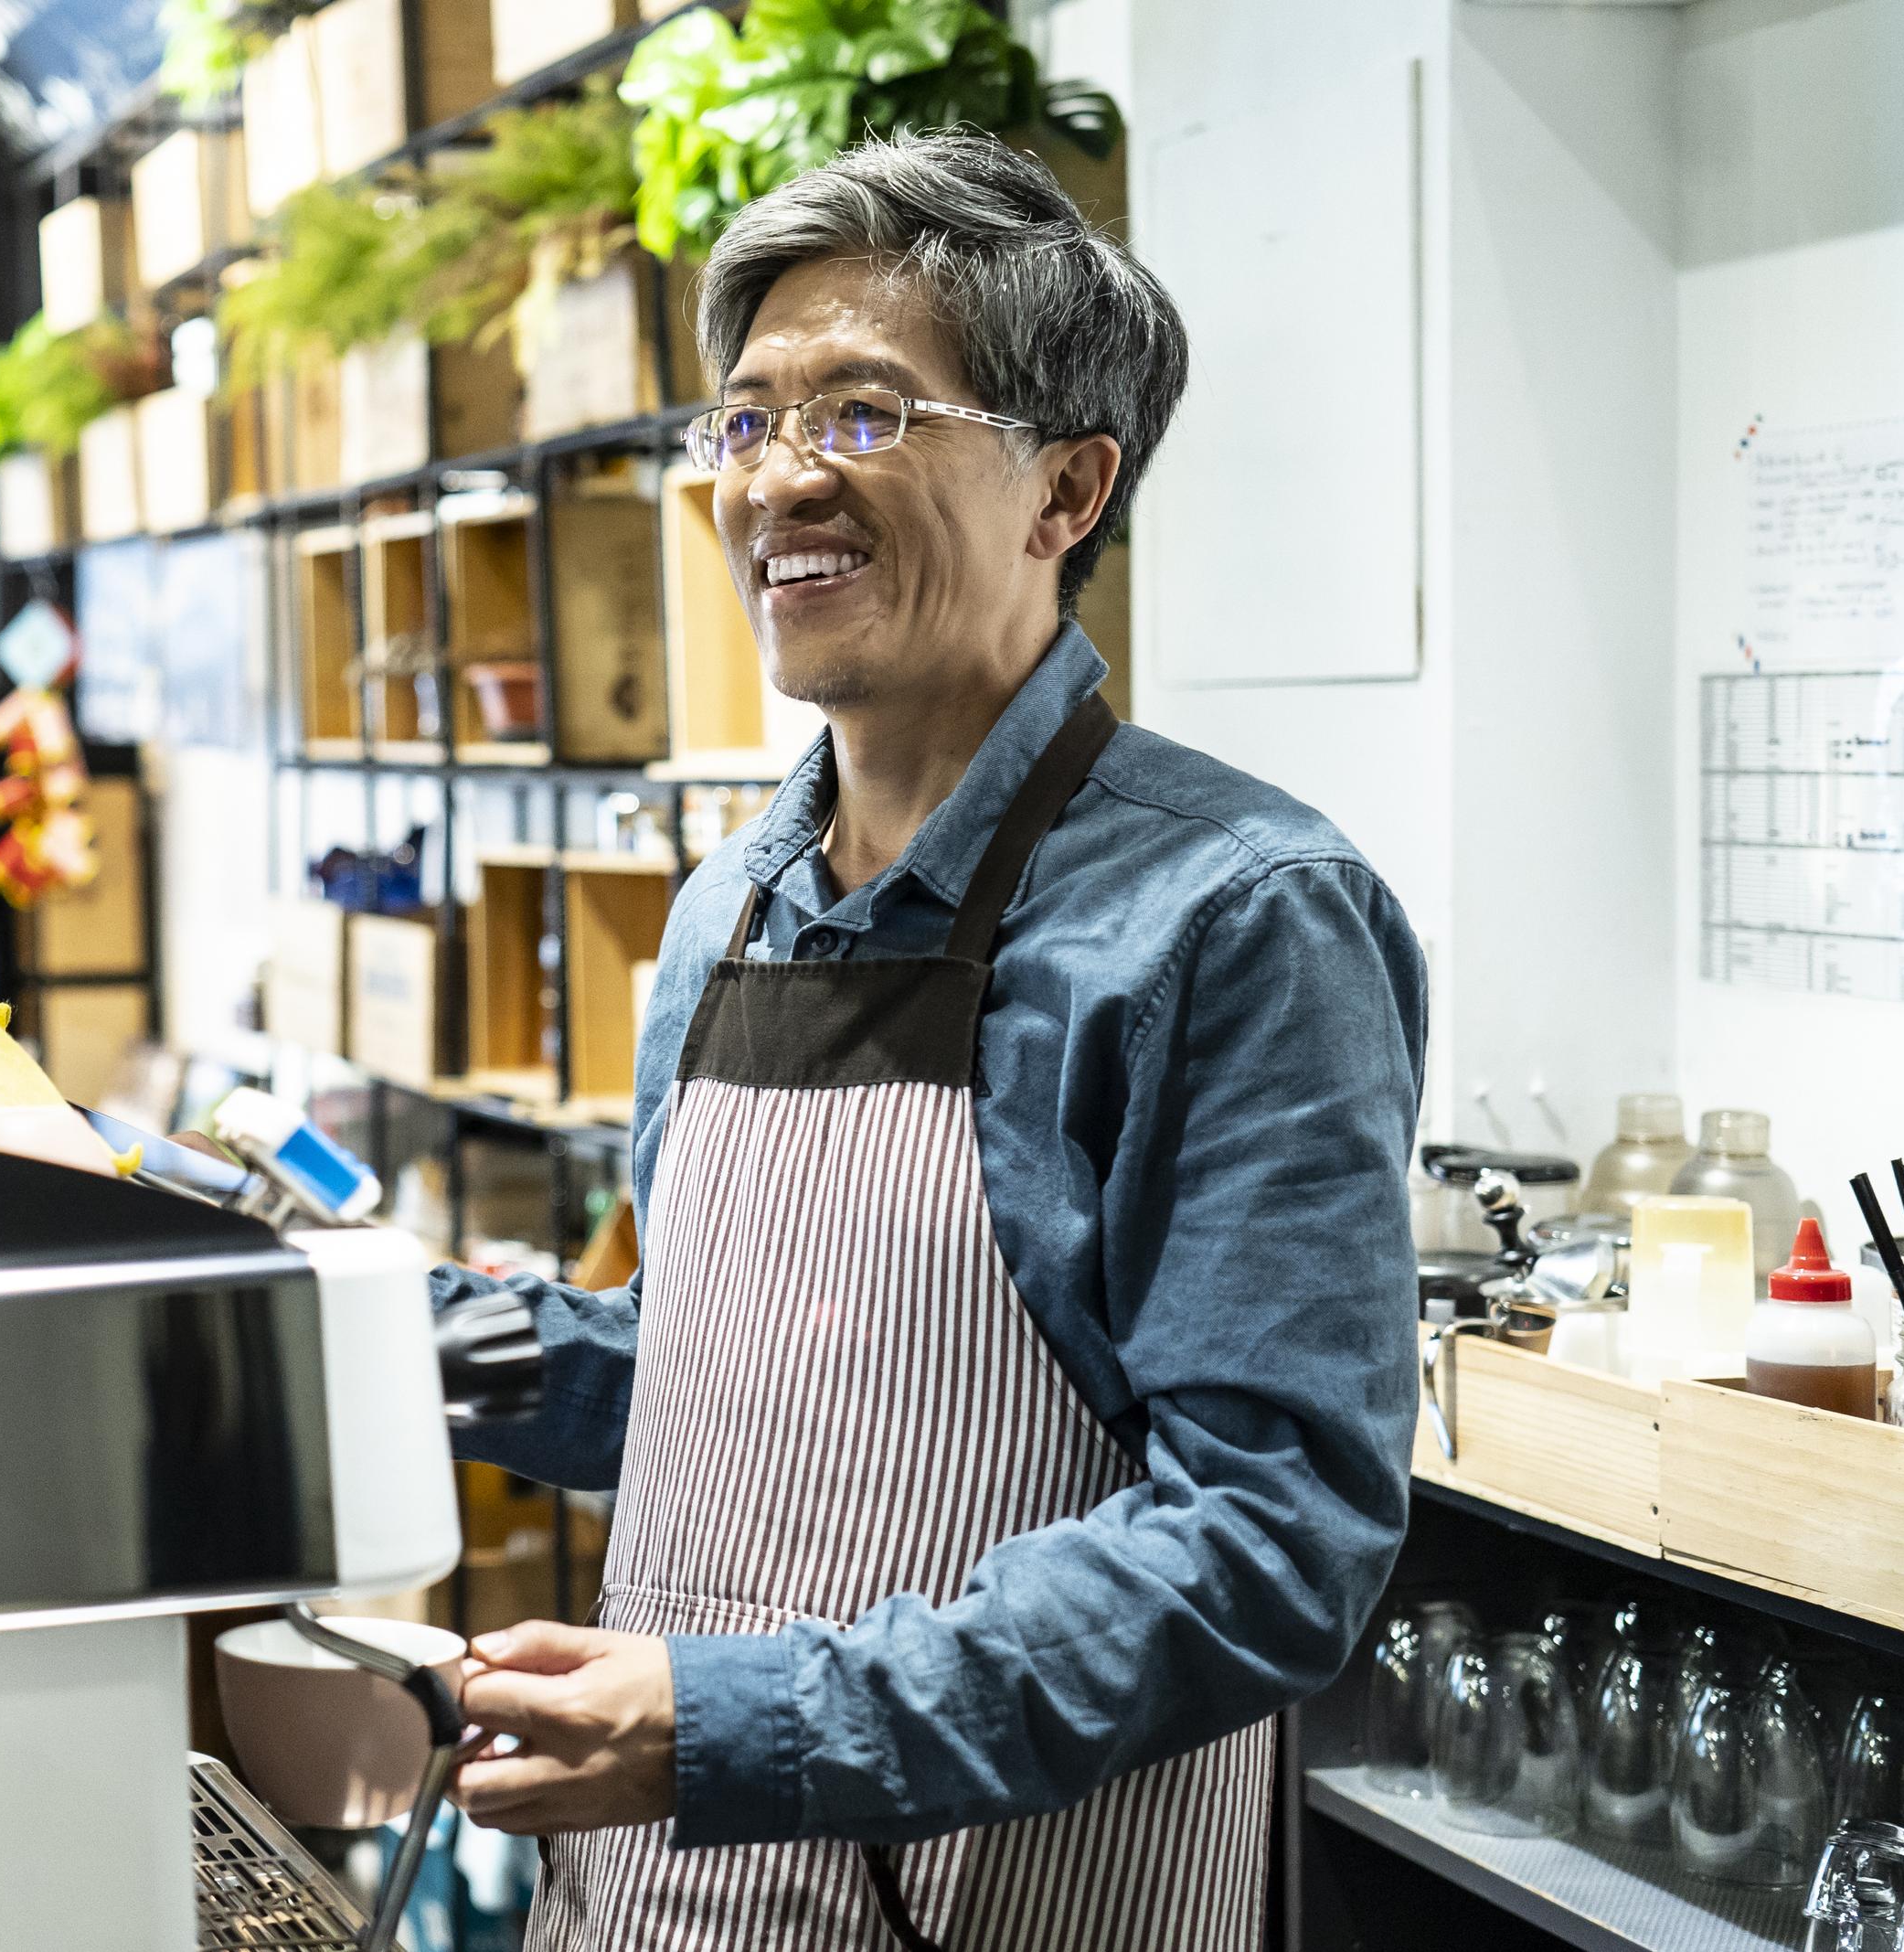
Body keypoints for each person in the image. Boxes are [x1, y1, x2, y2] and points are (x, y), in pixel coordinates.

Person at [430, 130, 1427, 1949]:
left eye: (867, 417)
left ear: (1064, 492)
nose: (782, 480)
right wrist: (353, 1332)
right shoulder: (727, 900)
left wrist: (737, 1723)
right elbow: (740, 1387)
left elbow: (1273, 1545)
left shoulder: (1234, 916)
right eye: (744, 422)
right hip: (647, 1906)